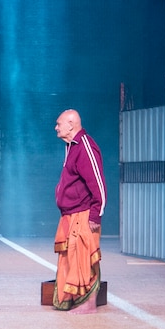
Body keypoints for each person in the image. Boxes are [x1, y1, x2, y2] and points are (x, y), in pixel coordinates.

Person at [52, 109, 106, 314]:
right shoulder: (72, 147)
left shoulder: (85, 146)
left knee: (84, 257)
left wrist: (95, 214)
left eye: (59, 124)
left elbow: (98, 183)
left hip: (84, 213)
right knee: (72, 258)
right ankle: (76, 300)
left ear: (71, 124)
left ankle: (89, 304)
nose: (56, 127)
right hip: (70, 214)